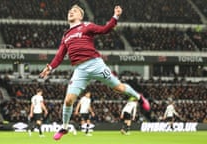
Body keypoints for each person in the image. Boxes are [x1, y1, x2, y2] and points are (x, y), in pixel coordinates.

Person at [40, 4, 150, 140]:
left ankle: (139, 98)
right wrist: (50, 68)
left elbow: (105, 29)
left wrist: (115, 16)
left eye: (74, 11)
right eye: (69, 11)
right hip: (80, 70)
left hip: (96, 64)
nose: (71, 12)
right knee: (68, 100)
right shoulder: (66, 35)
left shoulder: (87, 26)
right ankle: (64, 127)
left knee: (119, 87)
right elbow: (60, 55)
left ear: (81, 16)